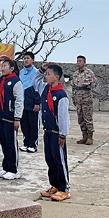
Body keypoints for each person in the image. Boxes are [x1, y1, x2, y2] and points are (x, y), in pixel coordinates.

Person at [34, 63, 71, 200]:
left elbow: (63, 116)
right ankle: (54, 185)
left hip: (57, 133)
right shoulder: (45, 89)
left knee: (59, 161)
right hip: (47, 131)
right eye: (46, 73)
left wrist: (63, 134)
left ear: (56, 77)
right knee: (50, 159)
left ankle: (64, 189)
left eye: (49, 74)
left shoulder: (61, 95)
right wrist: (42, 69)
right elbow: (36, 80)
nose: (46, 76)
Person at [0, 55, 24, 179]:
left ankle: (14, 170)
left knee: (11, 144)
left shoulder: (16, 81)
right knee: (3, 143)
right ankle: (6, 167)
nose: (2, 68)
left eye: (5, 66)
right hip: (1, 116)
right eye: (2, 66)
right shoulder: (0, 78)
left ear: (12, 68)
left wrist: (17, 118)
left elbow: (19, 101)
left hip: (11, 117)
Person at [18, 51, 40, 152]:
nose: (26, 60)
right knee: (24, 124)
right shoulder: (21, 72)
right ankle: (26, 143)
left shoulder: (36, 72)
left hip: (32, 102)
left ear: (33, 60)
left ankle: (33, 144)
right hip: (23, 103)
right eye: (25, 58)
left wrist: (37, 103)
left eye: (28, 58)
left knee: (33, 124)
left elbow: (37, 89)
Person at [72, 55, 97, 145]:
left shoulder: (89, 73)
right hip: (78, 98)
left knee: (88, 118)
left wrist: (87, 85)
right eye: (77, 61)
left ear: (84, 62)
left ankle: (90, 137)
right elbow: (73, 87)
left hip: (86, 98)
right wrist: (73, 98)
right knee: (80, 118)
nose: (78, 63)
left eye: (80, 61)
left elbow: (94, 84)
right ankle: (84, 136)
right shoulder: (75, 74)